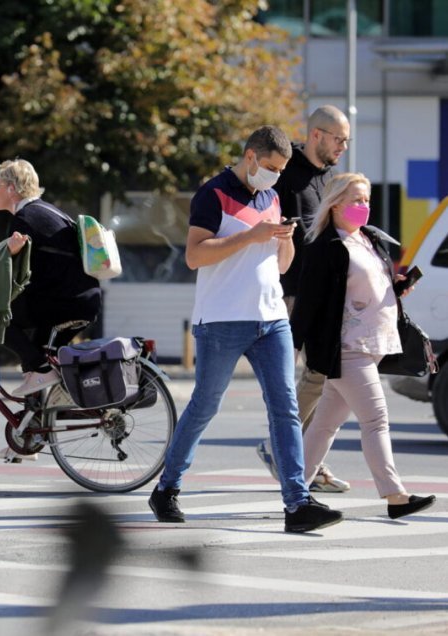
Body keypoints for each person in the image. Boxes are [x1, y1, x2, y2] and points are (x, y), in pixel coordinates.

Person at [147, 125, 343, 533]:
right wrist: (252, 236)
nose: (275, 175)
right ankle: (166, 488)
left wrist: (284, 241)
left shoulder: (271, 197)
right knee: (205, 405)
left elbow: (282, 265)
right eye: (271, 167)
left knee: (285, 407)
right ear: (250, 156)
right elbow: (195, 256)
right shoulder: (213, 193)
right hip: (221, 319)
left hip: (271, 319)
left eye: (282, 169)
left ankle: (297, 502)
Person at [291, 172, 436, 520]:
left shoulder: (368, 239)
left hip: (372, 345)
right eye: (356, 200)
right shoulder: (326, 248)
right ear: (335, 203)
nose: (364, 207)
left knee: (325, 424)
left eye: (367, 200)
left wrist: (396, 288)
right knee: (376, 419)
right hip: (345, 348)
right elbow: (308, 304)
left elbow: (368, 287)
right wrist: (291, 348)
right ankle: (395, 496)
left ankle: (294, 489)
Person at [256, 105, 353, 493]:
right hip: (288, 295)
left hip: (322, 293)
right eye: (338, 139)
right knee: (307, 378)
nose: (343, 146)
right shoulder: (284, 174)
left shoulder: (327, 177)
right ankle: (286, 453)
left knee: (322, 376)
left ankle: (298, 456)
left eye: (346, 140)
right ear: (316, 135)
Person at [0, 158, 102, 397]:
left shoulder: (23, 220)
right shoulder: (47, 210)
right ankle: (41, 424)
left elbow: (14, 274)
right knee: (37, 355)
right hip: (82, 300)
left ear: (11, 189)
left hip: (66, 303)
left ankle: (41, 374)